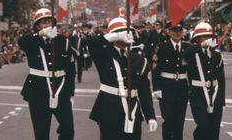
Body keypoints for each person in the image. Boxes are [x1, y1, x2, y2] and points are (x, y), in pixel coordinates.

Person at [88, 17, 158, 140]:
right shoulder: (103, 54)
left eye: (128, 31)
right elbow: (92, 43)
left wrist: (150, 116)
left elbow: (144, 91)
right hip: (109, 111)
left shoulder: (140, 60)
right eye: (122, 32)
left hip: (133, 112)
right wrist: (114, 36)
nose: (126, 34)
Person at [18, 8, 75, 140]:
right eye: (43, 22)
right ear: (37, 25)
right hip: (38, 90)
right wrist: (41, 34)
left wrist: (71, 92)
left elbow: (71, 69)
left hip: (60, 88)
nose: (47, 24)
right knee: (41, 132)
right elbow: (21, 42)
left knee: (68, 128)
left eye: (49, 21)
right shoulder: (33, 41)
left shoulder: (63, 40)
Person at [183, 21, 225, 140]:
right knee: (202, 123)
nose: (207, 39)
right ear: (197, 39)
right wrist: (201, 46)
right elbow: (186, 54)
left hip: (215, 93)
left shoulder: (216, 55)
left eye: (209, 37)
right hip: (198, 93)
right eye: (204, 37)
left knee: (214, 126)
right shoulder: (192, 52)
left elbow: (221, 78)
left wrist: (222, 100)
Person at [152, 22, 190, 140]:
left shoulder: (188, 48)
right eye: (174, 30)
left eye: (179, 30)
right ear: (169, 32)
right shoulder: (161, 47)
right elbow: (155, 69)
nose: (177, 33)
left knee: (180, 119)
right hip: (166, 87)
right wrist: (156, 88)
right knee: (168, 118)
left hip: (182, 87)